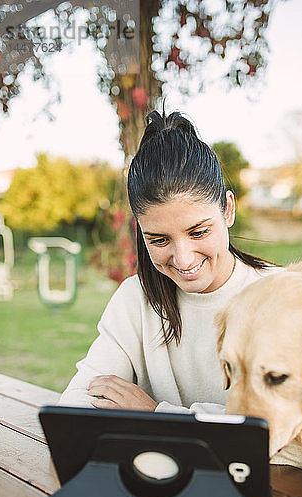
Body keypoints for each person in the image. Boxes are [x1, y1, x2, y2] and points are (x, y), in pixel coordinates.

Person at [58, 107, 281, 413]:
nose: (184, 259)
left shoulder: (281, 295)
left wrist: (154, 414)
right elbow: (78, 403)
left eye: (198, 232)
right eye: (159, 240)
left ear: (228, 210)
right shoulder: (135, 299)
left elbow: (283, 433)